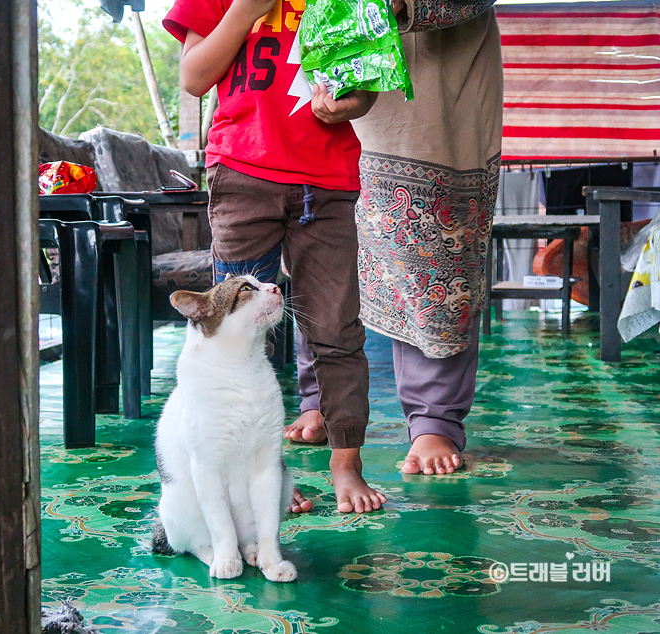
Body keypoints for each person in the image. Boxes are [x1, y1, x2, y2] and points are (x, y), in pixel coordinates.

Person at [163, 0, 387, 513]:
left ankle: (346, 465)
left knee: (337, 329)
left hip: (327, 180)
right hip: (242, 173)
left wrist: (350, 103)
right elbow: (195, 78)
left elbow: (366, 89)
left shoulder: (354, 3)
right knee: (233, 331)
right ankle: (259, 476)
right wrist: (245, 11)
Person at [284, 0, 504, 477]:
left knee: (432, 256)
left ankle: (434, 420)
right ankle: (322, 398)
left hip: (437, 87)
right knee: (322, 251)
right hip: (334, 77)